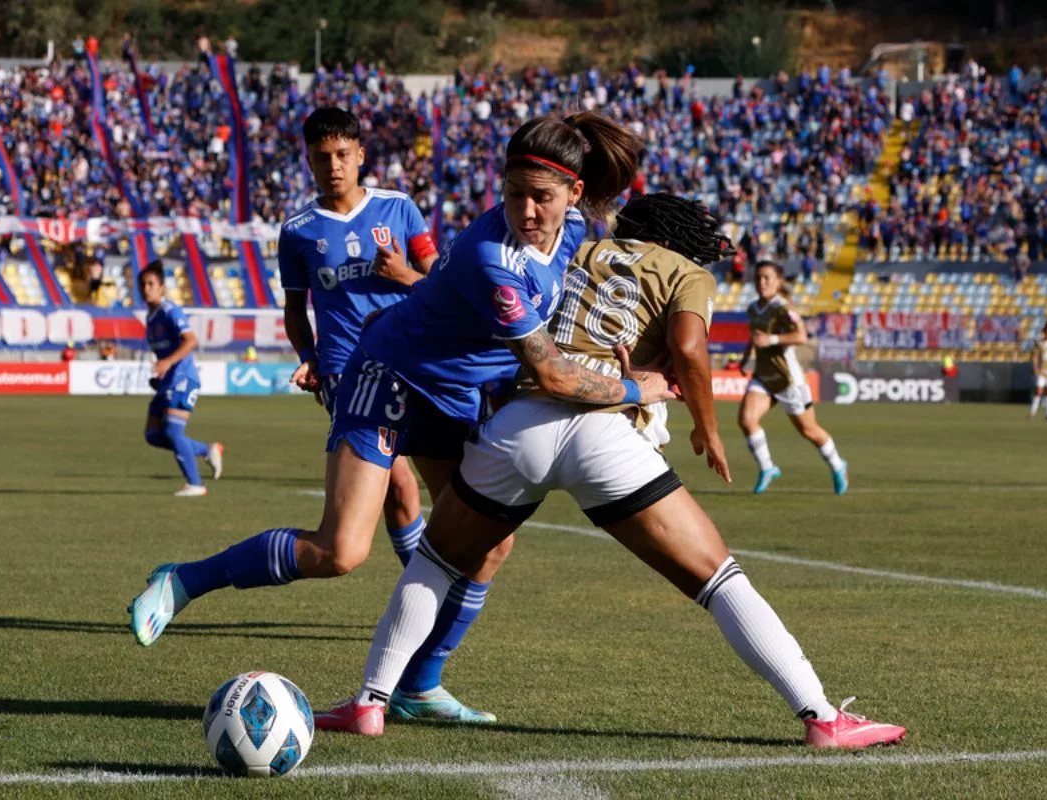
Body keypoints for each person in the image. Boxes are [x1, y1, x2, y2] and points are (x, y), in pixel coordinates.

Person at [129, 111, 660, 724]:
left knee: (489, 547)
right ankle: (182, 582)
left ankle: (419, 687)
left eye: (542, 197)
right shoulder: (490, 253)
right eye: (515, 195)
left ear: (572, 195)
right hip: (389, 378)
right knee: (341, 551)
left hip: (455, 397)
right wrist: (636, 387)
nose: (527, 211)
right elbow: (552, 375)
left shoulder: (572, 232)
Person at [329, 194, 906, 748]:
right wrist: (705, 425)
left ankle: (369, 703)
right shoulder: (683, 272)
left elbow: (508, 323)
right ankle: (822, 716)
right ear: (676, 239)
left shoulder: (571, 249)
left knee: (435, 563)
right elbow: (688, 347)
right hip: (605, 432)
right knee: (717, 579)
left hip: (520, 425)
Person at [280, 107, 438, 573]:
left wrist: (402, 273)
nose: (334, 166)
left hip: (409, 361)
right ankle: (425, 591)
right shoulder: (297, 231)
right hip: (344, 370)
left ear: (361, 155)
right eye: (322, 156)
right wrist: (308, 356)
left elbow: (437, 281)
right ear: (309, 161)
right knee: (401, 483)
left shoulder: (399, 208)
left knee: (406, 486)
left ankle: (427, 588)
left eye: (343, 154)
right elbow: (294, 307)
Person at [738, 261, 848, 495]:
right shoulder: (753, 308)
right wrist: (746, 356)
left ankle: (838, 465)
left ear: (779, 281)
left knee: (809, 430)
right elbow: (755, 335)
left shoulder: (783, 307)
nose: (762, 282)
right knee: (747, 420)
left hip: (789, 380)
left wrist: (773, 340)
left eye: (767, 278)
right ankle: (768, 468)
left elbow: (801, 336)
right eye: (759, 278)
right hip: (764, 376)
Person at [138, 262, 224, 497]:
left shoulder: (169, 310)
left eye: (151, 284)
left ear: (162, 288)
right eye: (143, 285)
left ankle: (195, 484)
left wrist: (167, 363)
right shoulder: (151, 318)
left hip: (183, 378)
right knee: (153, 435)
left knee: (174, 433)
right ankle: (206, 449)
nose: (146, 288)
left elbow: (190, 340)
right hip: (168, 380)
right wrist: (162, 369)